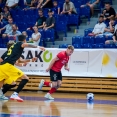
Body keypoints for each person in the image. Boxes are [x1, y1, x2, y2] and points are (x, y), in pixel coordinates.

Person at [0, 34, 45, 102]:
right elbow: (25, 45)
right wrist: (38, 47)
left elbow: (20, 60)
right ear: (24, 40)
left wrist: (30, 60)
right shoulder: (20, 43)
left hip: (2, 66)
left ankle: (2, 94)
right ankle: (15, 94)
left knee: (11, 84)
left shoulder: (14, 47)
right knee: (25, 78)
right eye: (25, 40)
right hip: (7, 66)